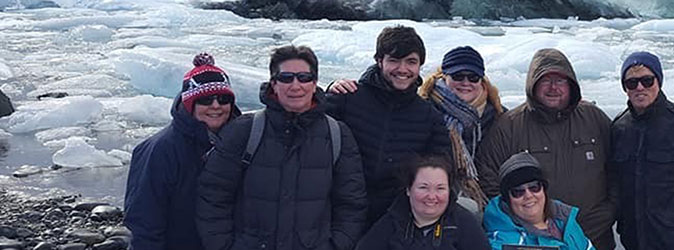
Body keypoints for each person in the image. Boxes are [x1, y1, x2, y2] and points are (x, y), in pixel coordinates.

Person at [197, 45, 367, 250]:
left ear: (314, 84)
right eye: (286, 77)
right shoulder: (244, 131)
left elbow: (351, 205)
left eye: (304, 77)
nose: (295, 85)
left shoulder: (337, 135)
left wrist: (336, 245)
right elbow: (213, 197)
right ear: (274, 84)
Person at [327, 45, 506, 214]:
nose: (466, 82)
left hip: (484, 196)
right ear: (444, 77)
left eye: (473, 77)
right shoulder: (426, 108)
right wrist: (333, 88)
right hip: (430, 197)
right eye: (458, 76)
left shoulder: (497, 115)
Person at [476, 48, 616, 250]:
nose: (553, 88)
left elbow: (620, 167)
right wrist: (523, 221)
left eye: (560, 80)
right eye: (545, 80)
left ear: (571, 85)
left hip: (595, 236)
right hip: (533, 241)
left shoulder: (593, 118)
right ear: (532, 84)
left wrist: (609, 210)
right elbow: (488, 177)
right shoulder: (509, 126)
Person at [323, 25, 451, 225]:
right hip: (337, 208)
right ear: (379, 61)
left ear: (420, 66)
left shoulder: (428, 117)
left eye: (411, 62)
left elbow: (442, 169)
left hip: (393, 217)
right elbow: (306, 121)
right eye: (394, 60)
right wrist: (328, 90)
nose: (403, 69)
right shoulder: (348, 97)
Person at [124, 53, 241, 250]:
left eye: (223, 99)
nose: (215, 106)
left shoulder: (241, 142)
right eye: (205, 100)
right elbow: (143, 221)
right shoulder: (160, 149)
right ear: (189, 103)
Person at [610, 51, 674, 250]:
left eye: (647, 80)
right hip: (635, 241)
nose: (640, 87)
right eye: (632, 83)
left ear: (659, 81)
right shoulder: (619, 129)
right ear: (625, 88)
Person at [355, 156, 491, 250]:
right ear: (409, 189)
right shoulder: (391, 222)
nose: (432, 196)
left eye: (440, 188)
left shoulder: (464, 223)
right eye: (423, 187)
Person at [483, 152, 595, 250]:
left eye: (534, 187)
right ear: (507, 200)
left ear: (544, 190)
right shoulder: (501, 240)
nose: (528, 195)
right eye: (518, 192)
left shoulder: (565, 220)